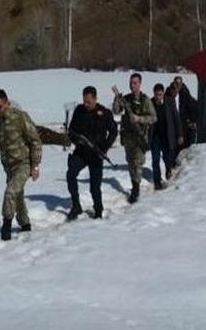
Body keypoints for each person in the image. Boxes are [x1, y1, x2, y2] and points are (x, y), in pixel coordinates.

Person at [0, 89, 43, 240]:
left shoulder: (20, 117)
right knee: (17, 195)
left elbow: (35, 141)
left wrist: (35, 165)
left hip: (23, 163)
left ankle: (6, 226)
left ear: (7, 103)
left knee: (10, 192)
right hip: (8, 165)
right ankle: (25, 223)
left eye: (0, 107)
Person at [66, 86, 118, 220]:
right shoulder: (79, 110)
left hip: (96, 153)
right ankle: (76, 206)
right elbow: (71, 131)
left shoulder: (104, 112)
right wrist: (78, 140)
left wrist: (105, 147)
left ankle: (98, 210)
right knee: (71, 174)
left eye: (88, 101)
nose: (86, 104)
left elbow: (113, 131)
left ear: (95, 99)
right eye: (84, 101)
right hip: (81, 152)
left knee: (94, 186)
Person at [112, 73, 157, 204]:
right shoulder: (126, 99)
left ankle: (135, 189)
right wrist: (116, 99)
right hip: (128, 136)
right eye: (131, 83)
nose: (133, 85)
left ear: (140, 84)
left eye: (135, 83)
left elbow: (154, 118)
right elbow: (116, 111)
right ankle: (135, 184)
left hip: (140, 135)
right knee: (131, 162)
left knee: (137, 163)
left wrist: (139, 119)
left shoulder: (145, 100)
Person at [149, 83, 183, 190]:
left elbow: (176, 119)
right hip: (155, 136)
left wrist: (180, 134)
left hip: (167, 135)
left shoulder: (170, 102)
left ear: (163, 93)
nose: (158, 97)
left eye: (160, 94)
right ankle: (157, 181)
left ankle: (168, 168)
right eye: (156, 95)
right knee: (155, 159)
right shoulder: (150, 103)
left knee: (167, 156)